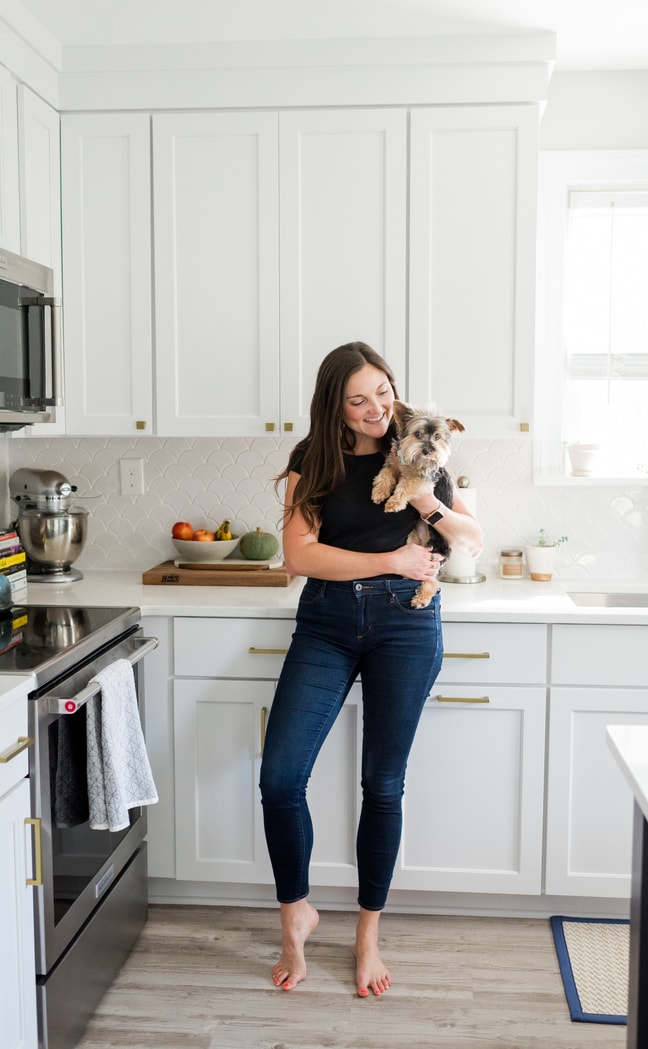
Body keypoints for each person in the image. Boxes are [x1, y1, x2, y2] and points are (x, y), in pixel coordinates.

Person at [259, 341, 483, 998]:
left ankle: (367, 937)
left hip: (406, 629)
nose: (376, 409)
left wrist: (429, 508)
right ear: (336, 404)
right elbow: (299, 556)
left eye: (383, 393)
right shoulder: (315, 459)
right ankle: (295, 910)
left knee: (383, 785)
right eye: (359, 400)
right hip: (327, 621)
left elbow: (469, 537)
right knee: (279, 777)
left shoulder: (417, 447)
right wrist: (391, 562)